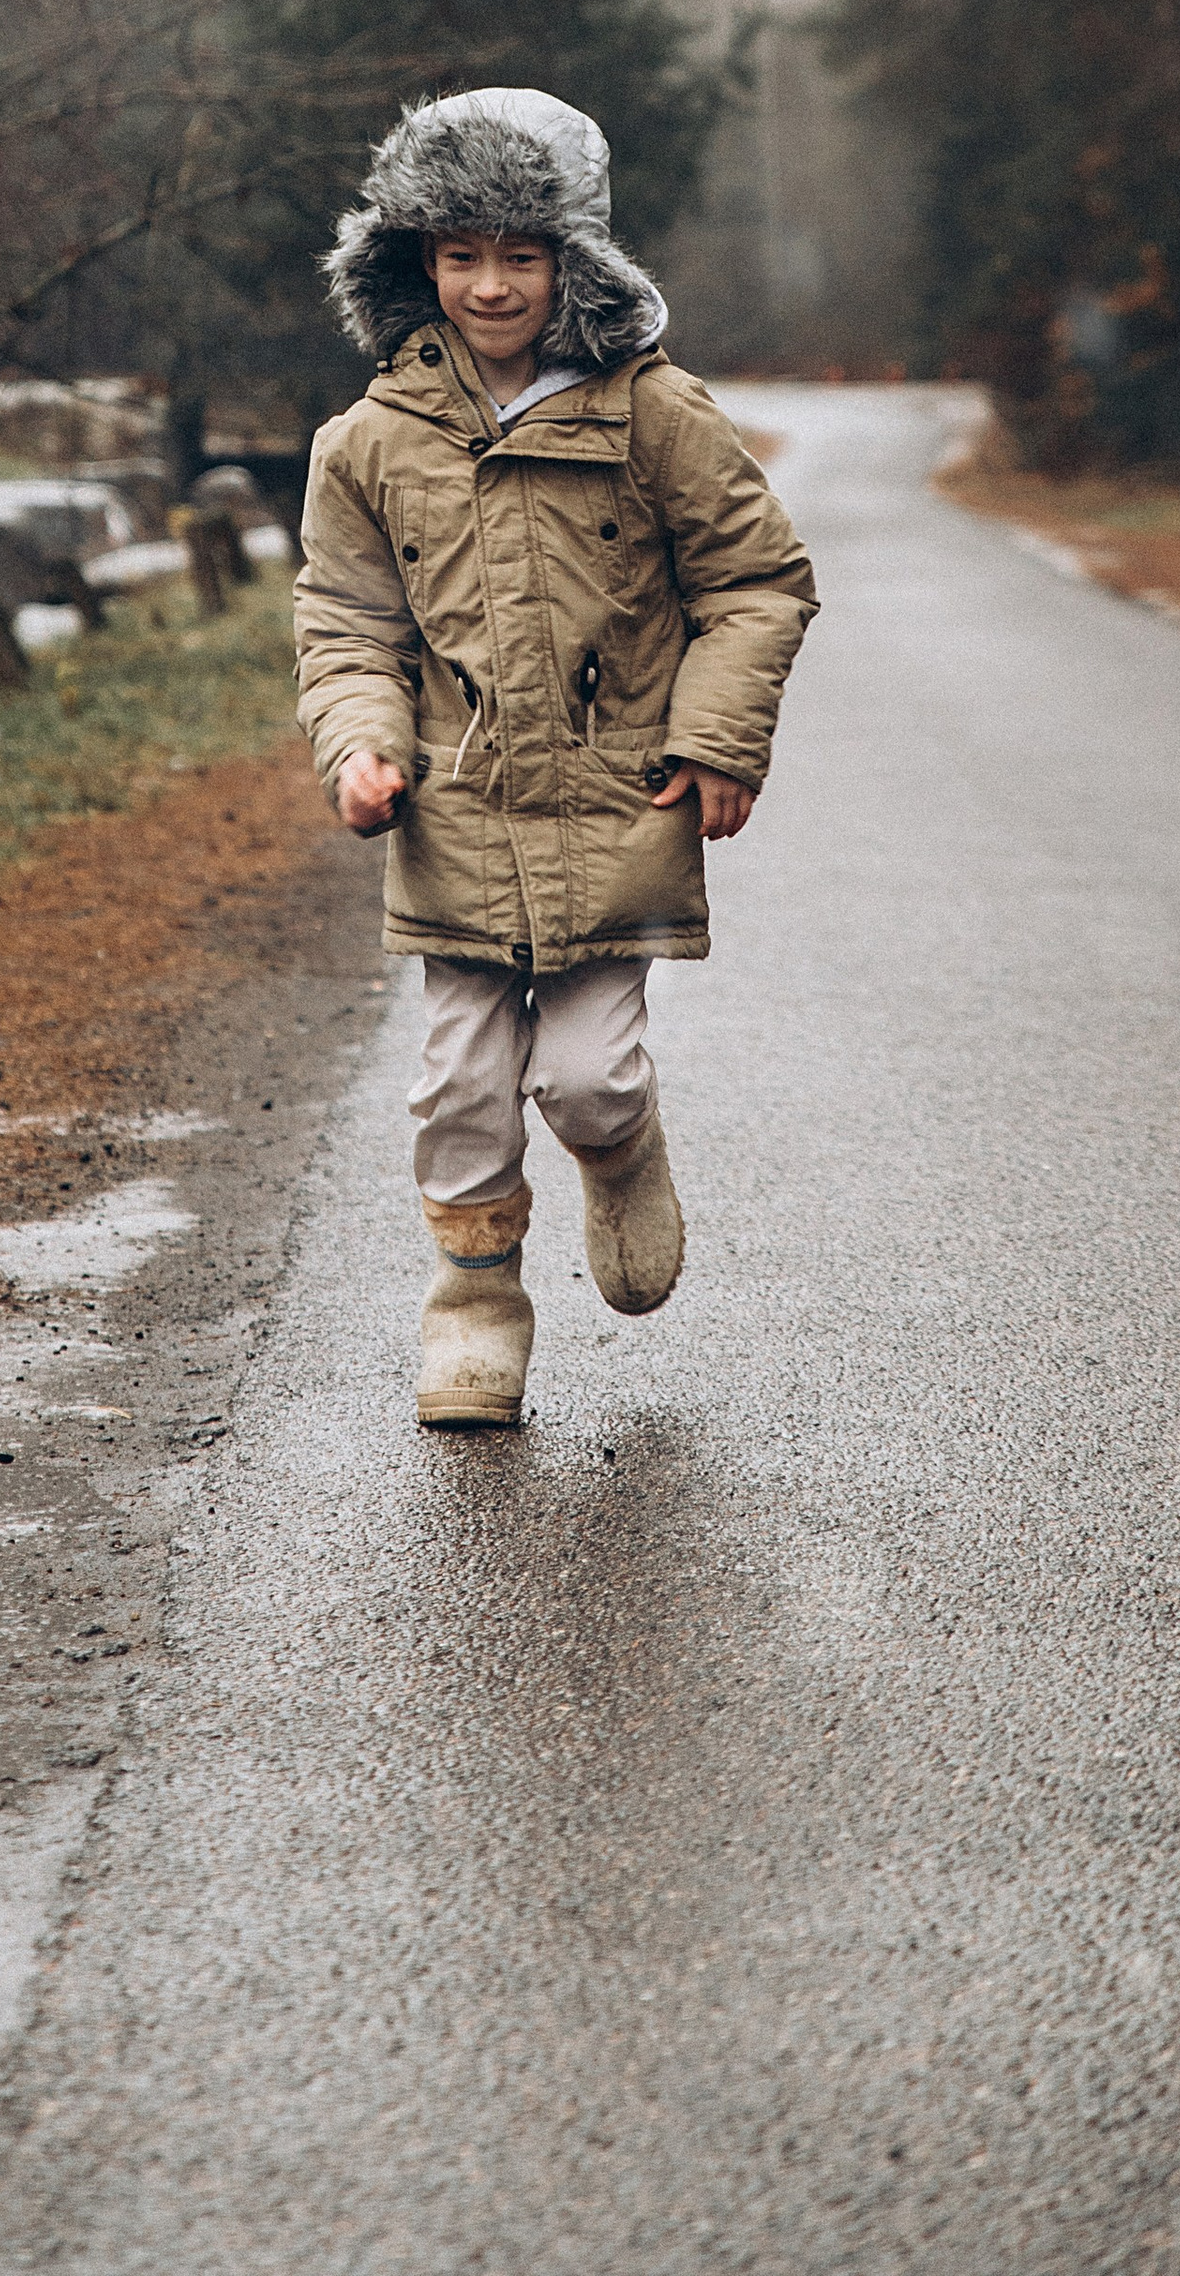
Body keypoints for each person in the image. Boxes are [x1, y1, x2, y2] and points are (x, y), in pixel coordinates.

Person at [292, 86, 818, 1427]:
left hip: (617, 806)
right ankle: (475, 1308)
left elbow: (757, 579)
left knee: (585, 1075)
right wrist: (359, 746)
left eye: (520, 255)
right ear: (415, 262)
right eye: (459, 254)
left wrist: (714, 738)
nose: (489, 285)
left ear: (574, 257)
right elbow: (346, 621)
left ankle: (620, 1155)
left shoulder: (654, 415)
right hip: (453, 817)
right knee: (461, 1088)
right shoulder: (368, 443)